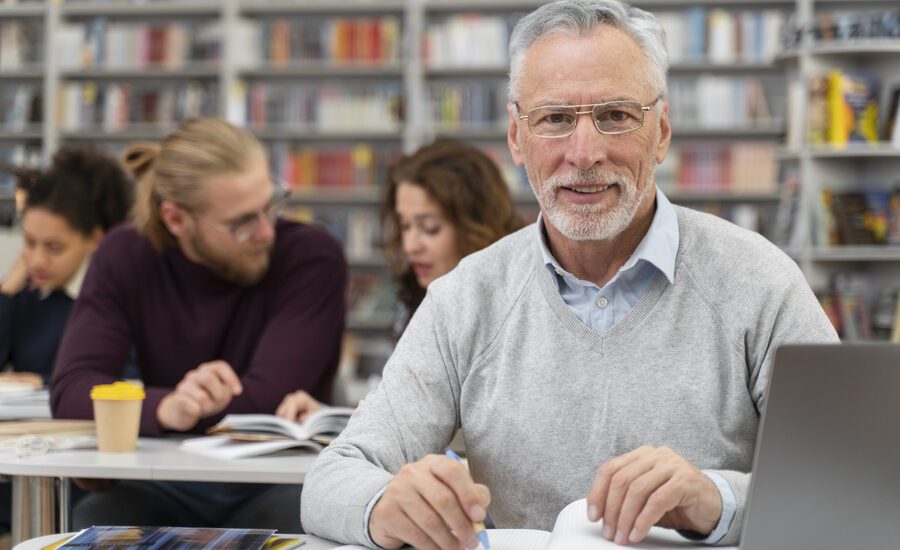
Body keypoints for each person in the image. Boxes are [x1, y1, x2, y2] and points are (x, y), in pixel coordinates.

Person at [299, 1, 839, 549]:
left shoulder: (761, 283)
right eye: (555, 119)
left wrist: (716, 501)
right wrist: (386, 505)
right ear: (515, 137)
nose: (585, 154)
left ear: (662, 131)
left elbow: (852, 490)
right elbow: (331, 478)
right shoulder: (465, 298)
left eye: (616, 116)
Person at [50, 117, 347, 532]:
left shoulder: (311, 257)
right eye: (242, 222)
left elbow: (268, 400)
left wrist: (160, 411)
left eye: (270, 205)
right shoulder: (124, 254)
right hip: (158, 480)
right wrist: (168, 406)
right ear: (175, 220)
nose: (266, 231)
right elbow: (70, 390)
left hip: (279, 482)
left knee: (296, 523)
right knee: (94, 520)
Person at [275, 139, 523, 423]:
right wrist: (331, 419)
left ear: (477, 226)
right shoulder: (415, 301)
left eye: (429, 228)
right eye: (404, 226)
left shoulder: (517, 305)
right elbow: (407, 412)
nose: (410, 245)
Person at [0, 148, 134, 388]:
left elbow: (131, 380)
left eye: (54, 247)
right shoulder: (26, 290)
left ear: (95, 239)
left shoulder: (120, 294)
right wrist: (6, 294)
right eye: (29, 242)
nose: (37, 260)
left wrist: (44, 382)